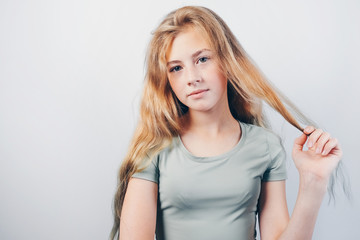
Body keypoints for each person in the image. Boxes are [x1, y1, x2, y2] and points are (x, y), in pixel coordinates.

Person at [110, 6, 342, 240]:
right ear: (166, 78)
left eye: (202, 59)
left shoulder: (265, 146)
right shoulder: (153, 149)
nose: (192, 78)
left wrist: (314, 182)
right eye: (177, 68)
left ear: (228, 60)